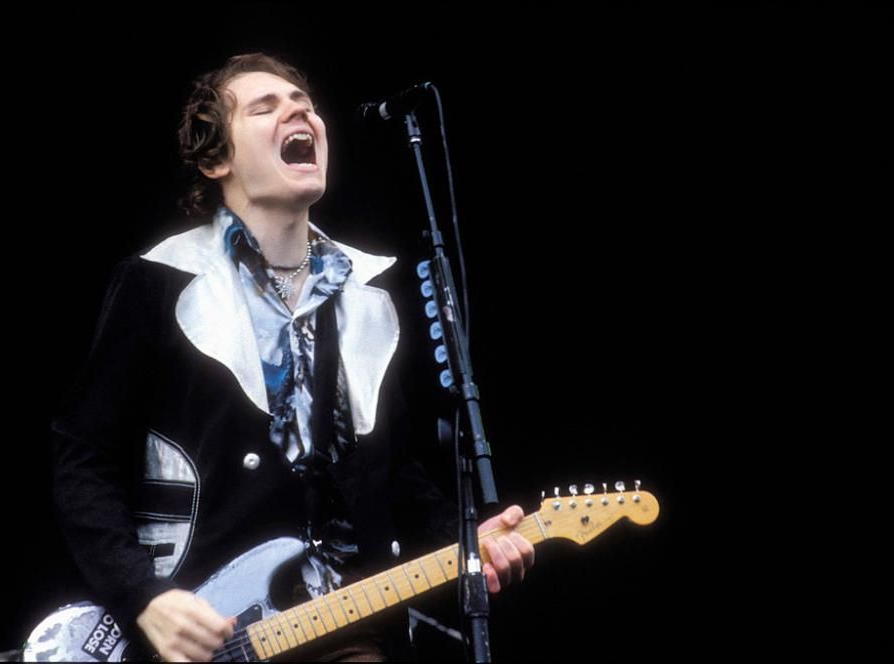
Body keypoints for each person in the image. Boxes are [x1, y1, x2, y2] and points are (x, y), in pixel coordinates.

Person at [51, 52, 534, 662]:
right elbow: (84, 459)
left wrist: (464, 536)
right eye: (265, 107)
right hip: (204, 625)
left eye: (304, 104)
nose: (297, 112)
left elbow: (391, 474)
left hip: (339, 622)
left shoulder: (366, 293)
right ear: (217, 160)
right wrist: (142, 596)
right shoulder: (162, 282)